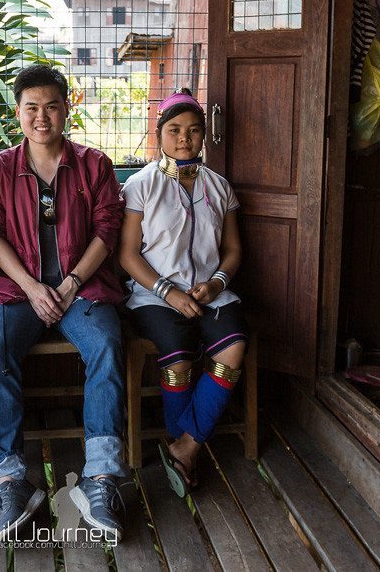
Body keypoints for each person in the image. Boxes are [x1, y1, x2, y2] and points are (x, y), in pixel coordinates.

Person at [0, 64, 127, 540]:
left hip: (81, 287)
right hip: (19, 291)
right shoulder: (0, 168)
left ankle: (100, 477)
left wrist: (68, 283)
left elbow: (107, 231)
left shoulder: (93, 164)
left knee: (106, 344)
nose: (42, 117)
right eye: (31, 108)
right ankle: (9, 481)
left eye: (51, 106)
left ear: (67, 108)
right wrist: (30, 286)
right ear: (17, 112)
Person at [118, 88, 247, 497]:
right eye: (174, 130)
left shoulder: (219, 187)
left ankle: (185, 447)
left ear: (204, 136)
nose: (184, 138)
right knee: (177, 350)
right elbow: (127, 254)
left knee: (234, 345)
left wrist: (216, 283)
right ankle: (185, 447)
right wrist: (168, 292)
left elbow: (232, 251)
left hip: (211, 293)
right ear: (160, 135)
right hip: (153, 295)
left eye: (194, 130)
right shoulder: (142, 185)